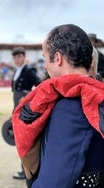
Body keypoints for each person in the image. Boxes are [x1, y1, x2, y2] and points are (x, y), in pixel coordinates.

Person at [12, 24, 104, 187]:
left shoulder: (70, 107)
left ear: (57, 58)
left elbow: (53, 183)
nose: (45, 65)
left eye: (46, 58)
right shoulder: (94, 92)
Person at [11, 47, 42, 180]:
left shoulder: (29, 70)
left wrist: (28, 96)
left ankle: (26, 171)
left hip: (24, 110)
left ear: (24, 56)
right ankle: (25, 169)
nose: (17, 59)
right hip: (17, 108)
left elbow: (40, 85)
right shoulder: (17, 71)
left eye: (19, 56)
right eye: (15, 57)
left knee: (24, 140)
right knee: (20, 139)